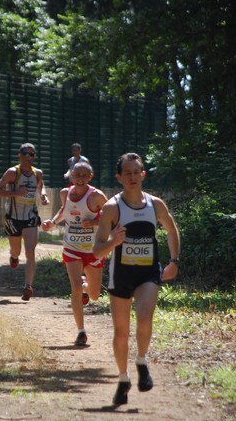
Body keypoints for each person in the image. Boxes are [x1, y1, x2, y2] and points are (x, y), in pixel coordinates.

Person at [93, 152, 180, 407]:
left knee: (144, 318)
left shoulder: (155, 205)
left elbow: (172, 229)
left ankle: (141, 360)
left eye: (136, 172)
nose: (132, 177)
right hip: (120, 275)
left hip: (147, 274)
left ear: (143, 174)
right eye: (127, 173)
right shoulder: (112, 208)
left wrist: (174, 261)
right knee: (121, 333)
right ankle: (123, 379)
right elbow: (97, 250)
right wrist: (114, 242)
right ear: (119, 177)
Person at [43, 161, 108, 346]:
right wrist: (53, 222)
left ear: (90, 177)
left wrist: (95, 223)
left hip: (94, 250)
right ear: (71, 175)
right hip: (71, 248)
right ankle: (81, 331)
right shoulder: (65, 193)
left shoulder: (96, 196)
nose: (79, 179)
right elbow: (64, 210)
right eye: (76, 175)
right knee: (75, 287)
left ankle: (87, 289)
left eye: (84, 175)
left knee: (95, 294)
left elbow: (113, 216)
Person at [0, 142, 49, 301]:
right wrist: (16, 193)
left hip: (31, 217)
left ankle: (28, 286)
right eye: (25, 153)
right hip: (13, 218)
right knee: (16, 250)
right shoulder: (12, 173)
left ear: (34, 157)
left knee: (30, 251)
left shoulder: (38, 173)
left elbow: (41, 186)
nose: (28, 157)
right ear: (20, 155)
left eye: (32, 154)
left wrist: (43, 195)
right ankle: (14, 256)